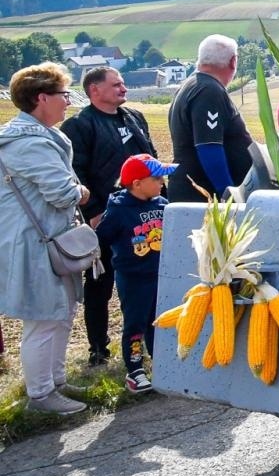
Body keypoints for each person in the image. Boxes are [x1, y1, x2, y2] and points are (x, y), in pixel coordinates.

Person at [0, 63, 93, 415]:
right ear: (42, 98)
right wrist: (81, 191)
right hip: (34, 243)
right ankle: (40, 397)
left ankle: (55, 381)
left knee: (61, 312)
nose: (67, 102)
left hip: (50, 240)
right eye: (63, 95)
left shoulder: (35, 137)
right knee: (43, 318)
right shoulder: (29, 144)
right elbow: (60, 192)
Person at [60, 66, 157, 366]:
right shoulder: (80, 126)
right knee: (100, 284)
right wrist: (94, 213)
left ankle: (148, 346)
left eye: (123, 83)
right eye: (116, 85)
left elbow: (150, 159)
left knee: (146, 282)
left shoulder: (135, 118)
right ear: (94, 91)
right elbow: (76, 173)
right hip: (105, 217)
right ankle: (99, 349)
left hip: (144, 217)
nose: (123, 89)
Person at [95, 154, 173, 393]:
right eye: (157, 178)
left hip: (159, 276)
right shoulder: (118, 210)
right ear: (137, 183)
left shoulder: (162, 205)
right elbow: (101, 238)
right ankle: (135, 370)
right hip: (133, 278)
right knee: (136, 324)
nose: (162, 182)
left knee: (158, 322)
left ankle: (161, 364)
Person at [167, 34, 253, 202]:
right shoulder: (208, 90)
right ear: (233, 61)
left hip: (191, 189)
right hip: (203, 195)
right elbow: (209, 147)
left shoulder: (191, 85)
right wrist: (229, 195)